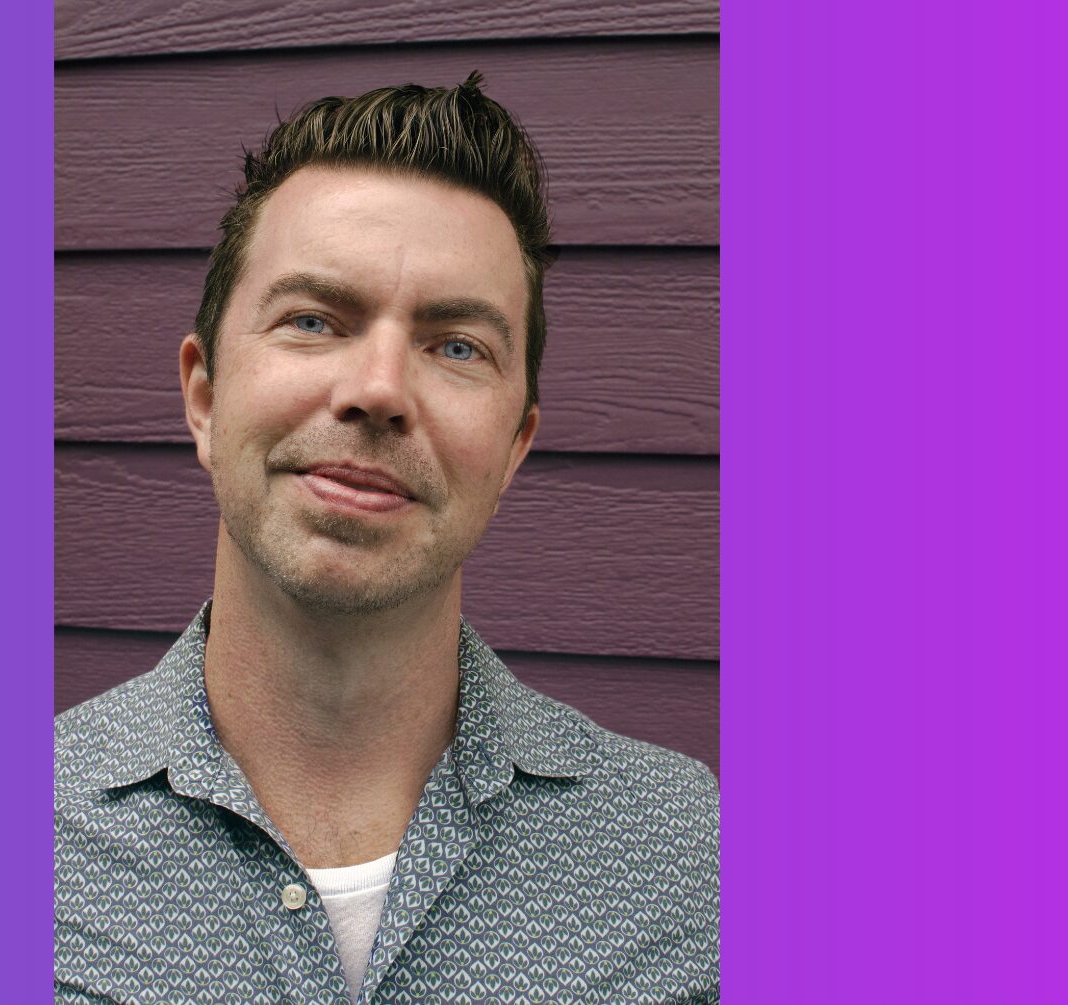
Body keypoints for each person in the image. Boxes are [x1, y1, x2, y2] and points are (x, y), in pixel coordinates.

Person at [54, 72, 719, 1004]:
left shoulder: (692, 864)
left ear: (515, 445)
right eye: (313, 319)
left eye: (456, 346)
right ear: (204, 397)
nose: (379, 388)